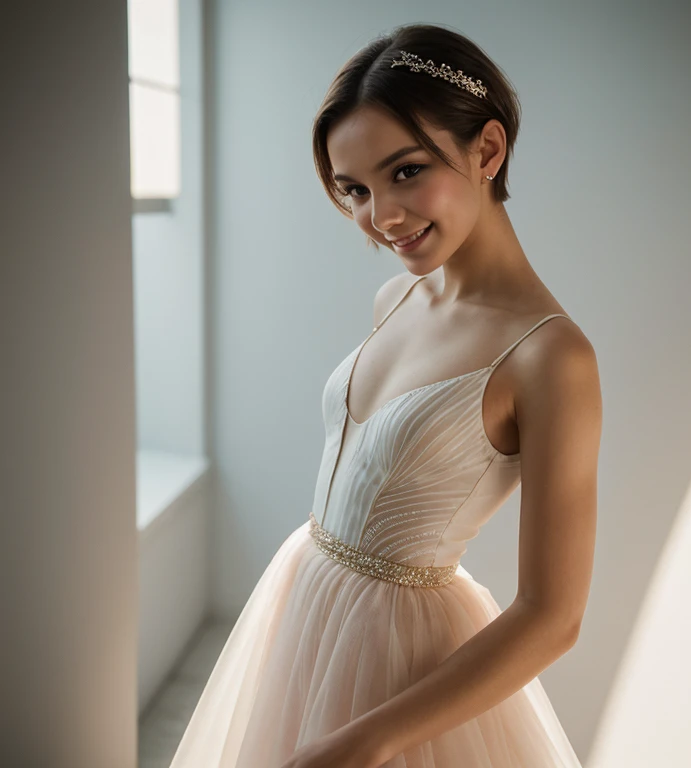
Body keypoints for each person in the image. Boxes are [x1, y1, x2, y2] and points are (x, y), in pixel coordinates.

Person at [169, 21, 601, 768]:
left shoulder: (550, 357)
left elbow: (553, 617)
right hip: (304, 604)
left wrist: (365, 740)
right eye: (356, 189)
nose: (382, 217)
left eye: (405, 172)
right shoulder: (397, 300)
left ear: (487, 150)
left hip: (403, 665)